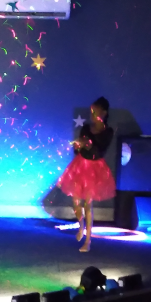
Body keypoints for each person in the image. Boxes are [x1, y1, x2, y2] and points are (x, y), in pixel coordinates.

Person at [56, 97, 116, 252]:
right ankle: (81, 225)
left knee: (88, 204)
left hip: (94, 170)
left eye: (95, 112)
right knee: (76, 202)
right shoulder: (86, 128)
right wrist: (78, 145)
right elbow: (78, 150)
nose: (92, 115)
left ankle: (88, 241)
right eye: (91, 112)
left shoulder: (107, 132)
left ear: (104, 113)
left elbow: (99, 151)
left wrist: (87, 144)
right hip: (80, 166)